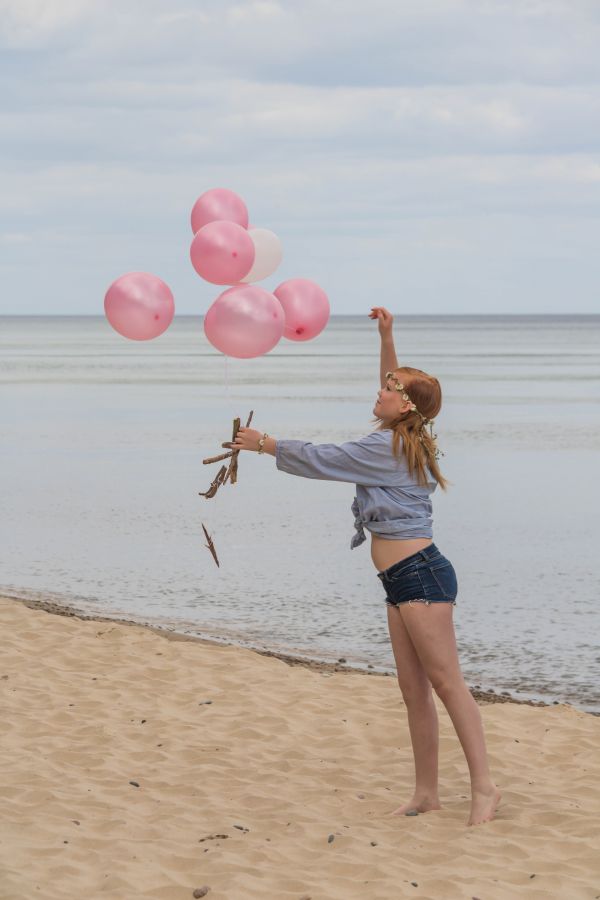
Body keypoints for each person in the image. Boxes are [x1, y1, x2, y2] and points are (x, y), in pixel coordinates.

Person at [225, 306, 501, 826]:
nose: (380, 390)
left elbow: (324, 457)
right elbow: (396, 389)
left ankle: (485, 788)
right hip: (400, 578)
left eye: (389, 388)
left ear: (405, 406)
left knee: (447, 683)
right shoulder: (405, 432)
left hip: (421, 574)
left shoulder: (386, 445)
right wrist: (387, 336)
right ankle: (426, 793)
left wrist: (264, 444)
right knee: (413, 688)